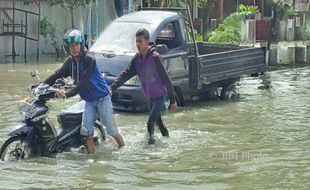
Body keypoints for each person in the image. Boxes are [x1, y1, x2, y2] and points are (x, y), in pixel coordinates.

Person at [43, 29, 125, 153]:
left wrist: (67, 94)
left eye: (76, 45)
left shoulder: (89, 59)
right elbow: (57, 75)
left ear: (81, 45)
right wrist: (39, 85)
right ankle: (91, 160)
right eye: (71, 46)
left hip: (103, 98)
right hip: (89, 102)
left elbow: (83, 84)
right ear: (68, 48)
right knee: (87, 133)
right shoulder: (70, 62)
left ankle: (123, 149)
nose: (74, 48)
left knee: (111, 131)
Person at [110, 28, 177, 145]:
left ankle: (150, 148)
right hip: (150, 97)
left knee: (150, 122)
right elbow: (126, 74)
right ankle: (168, 141)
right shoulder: (137, 59)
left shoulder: (155, 57)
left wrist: (173, 100)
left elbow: (166, 79)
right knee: (158, 122)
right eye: (136, 41)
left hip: (160, 96)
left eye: (140, 41)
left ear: (147, 41)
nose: (137, 44)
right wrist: (112, 87)